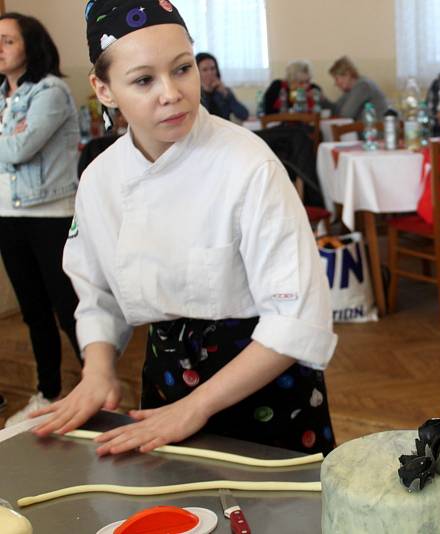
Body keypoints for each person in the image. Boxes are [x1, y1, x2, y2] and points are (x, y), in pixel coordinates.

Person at [31, 0, 337, 457]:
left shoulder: (247, 164)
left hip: (264, 382)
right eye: (143, 80)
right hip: (168, 380)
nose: (171, 92)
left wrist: (198, 407)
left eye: (182, 69)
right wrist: (97, 370)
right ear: (104, 89)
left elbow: (294, 316)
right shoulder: (100, 178)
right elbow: (95, 293)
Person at [0, 13, 82, 427]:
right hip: (8, 216)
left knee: (68, 307)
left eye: (7, 41)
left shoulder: (50, 91)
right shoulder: (3, 95)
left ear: (30, 46)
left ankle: (97, 391)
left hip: (50, 215)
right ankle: (48, 391)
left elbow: (18, 150)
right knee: (33, 311)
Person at [261, 60, 332, 116]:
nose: (305, 86)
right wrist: (296, 95)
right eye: (301, 82)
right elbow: (267, 111)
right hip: (280, 129)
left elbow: (327, 111)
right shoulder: (277, 86)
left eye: (308, 81)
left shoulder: (314, 88)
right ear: (290, 80)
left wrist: (322, 99)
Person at [328, 56, 388, 121]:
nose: (335, 84)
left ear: (347, 75)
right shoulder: (349, 90)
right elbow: (335, 109)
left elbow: (346, 114)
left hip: (378, 129)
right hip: (368, 128)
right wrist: (322, 99)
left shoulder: (363, 86)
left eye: (336, 79)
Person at [195, 52, 248, 122]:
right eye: (205, 70)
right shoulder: (195, 95)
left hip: (225, 131)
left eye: (213, 68)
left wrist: (226, 94)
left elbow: (244, 115)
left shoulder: (224, 91)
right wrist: (207, 91)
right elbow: (203, 119)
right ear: (197, 72)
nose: (210, 73)